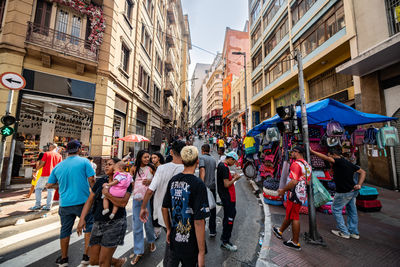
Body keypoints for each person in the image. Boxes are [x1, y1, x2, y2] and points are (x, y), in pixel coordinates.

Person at [47, 140, 96, 266]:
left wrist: (60, 186)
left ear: (67, 151)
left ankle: (64, 258)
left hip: (65, 204)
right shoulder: (85, 161)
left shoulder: (59, 166)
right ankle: (86, 256)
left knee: (65, 230)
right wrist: (95, 192)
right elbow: (91, 180)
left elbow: (49, 184)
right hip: (83, 202)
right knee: (89, 226)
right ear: (79, 149)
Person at [139, 140, 186, 267]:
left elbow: (150, 191)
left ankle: (170, 262)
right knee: (175, 240)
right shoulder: (187, 169)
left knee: (171, 240)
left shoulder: (162, 169)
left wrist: (143, 207)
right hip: (181, 214)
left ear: (171, 152)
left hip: (162, 213)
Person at [162, 146, 209, 267]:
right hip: (191, 243)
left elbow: (164, 207)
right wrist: (202, 252)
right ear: (197, 161)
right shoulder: (199, 184)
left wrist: (168, 229)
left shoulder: (173, 180)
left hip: (174, 237)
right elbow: (199, 221)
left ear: (182, 161)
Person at [77, 158, 129, 267]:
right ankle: (117, 262)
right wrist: (82, 219)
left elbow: (123, 203)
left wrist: (107, 193)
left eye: (110, 164)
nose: (106, 166)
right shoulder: (101, 180)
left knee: (103, 262)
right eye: (106, 164)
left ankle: (111, 261)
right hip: (98, 222)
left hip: (115, 223)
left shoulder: (125, 180)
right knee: (93, 260)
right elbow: (90, 200)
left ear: (117, 168)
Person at [310, 147, 366, 239]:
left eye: (329, 155)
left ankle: (344, 232)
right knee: (352, 211)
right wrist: (359, 184)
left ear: (333, 155)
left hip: (343, 192)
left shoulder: (338, 161)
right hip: (352, 191)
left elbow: (326, 158)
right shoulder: (347, 162)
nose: (329, 158)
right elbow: (363, 172)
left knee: (336, 209)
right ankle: (354, 233)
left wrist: (312, 151)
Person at [273, 146, 312, 251]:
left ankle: (295, 242)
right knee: (290, 214)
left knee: (294, 217)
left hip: (295, 192)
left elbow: (294, 181)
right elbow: (308, 182)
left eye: (292, 152)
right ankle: (280, 231)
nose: (291, 154)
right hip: (302, 193)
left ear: (297, 152)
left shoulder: (296, 164)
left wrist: (283, 190)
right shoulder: (307, 165)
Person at [130, 150, 156, 265]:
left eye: (148, 157)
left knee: (148, 222)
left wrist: (150, 181)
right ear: (140, 157)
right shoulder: (133, 168)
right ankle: (138, 251)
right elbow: (130, 182)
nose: (147, 159)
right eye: (145, 157)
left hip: (148, 199)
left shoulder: (151, 168)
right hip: (136, 200)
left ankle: (151, 240)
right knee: (137, 225)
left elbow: (157, 181)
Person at [217, 151, 242, 251]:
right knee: (230, 218)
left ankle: (224, 237)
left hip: (226, 196)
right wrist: (235, 178)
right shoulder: (224, 167)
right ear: (230, 159)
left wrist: (231, 175)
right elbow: (226, 184)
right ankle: (225, 241)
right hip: (228, 197)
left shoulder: (222, 165)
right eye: (234, 161)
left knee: (227, 217)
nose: (234, 164)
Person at [29, 143, 62, 211]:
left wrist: (36, 169)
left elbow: (42, 163)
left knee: (38, 188)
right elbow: (60, 167)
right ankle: (48, 206)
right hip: (54, 176)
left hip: (45, 174)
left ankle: (38, 205)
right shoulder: (59, 155)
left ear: (50, 147)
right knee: (50, 191)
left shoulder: (46, 154)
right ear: (56, 148)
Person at [199, 144, 217, 237]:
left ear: (202, 150)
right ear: (209, 150)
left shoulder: (202, 158)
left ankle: (201, 229)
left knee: (202, 209)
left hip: (205, 187)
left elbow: (202, 170)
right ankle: (212, 230)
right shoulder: (214, 160)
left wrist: (201, 185)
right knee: (212, 209)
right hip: (213, 187)